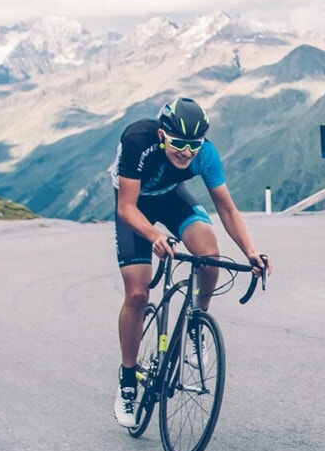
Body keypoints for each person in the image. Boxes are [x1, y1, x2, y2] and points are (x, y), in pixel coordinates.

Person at [111, 97, 268, 426]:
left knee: (210, 259)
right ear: (162, 135)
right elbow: (126, 208)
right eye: (178, 143)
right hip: (136, 205)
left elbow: (226, 208)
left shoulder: (205, 155)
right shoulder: (138, 141)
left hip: (171, 198)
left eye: (193, 145)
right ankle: (127, 381)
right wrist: (153, 236)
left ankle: (196, 323)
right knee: (138, 294)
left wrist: (250, 252)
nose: (186, 152)